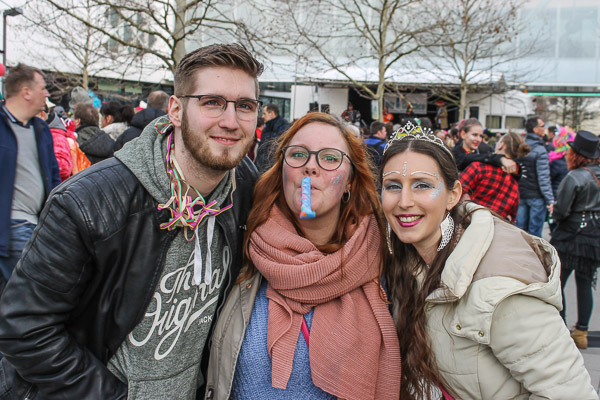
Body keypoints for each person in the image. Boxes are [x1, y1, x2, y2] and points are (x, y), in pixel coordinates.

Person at [0, 43, 262, 400]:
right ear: (175, 109)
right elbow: (25, 328)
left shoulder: (243, 187)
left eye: (244, 106)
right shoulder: (88, 201)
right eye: (212, 102)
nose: (230, 121)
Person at [380, 124, 597, 399]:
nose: (404, 201)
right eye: (393, 186)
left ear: (453, 195)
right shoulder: (405, 256)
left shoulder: (498, 286)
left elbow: (571, 393)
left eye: (422, 185)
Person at [204, 112, 401, 400]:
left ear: (350, 180)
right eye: (298, 155)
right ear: (282, 170)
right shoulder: (243, 246)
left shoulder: (385, 256)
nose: (310, 166)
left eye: (330, 158)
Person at [0, 63, 60, 289]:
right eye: (42, 88)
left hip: (37, 225)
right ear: (26, 92)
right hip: (13, 225)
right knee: (32, 291)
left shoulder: (41, 130)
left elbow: (53, 177)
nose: (46, 94)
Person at [550, 130, 600, 350]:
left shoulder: (575, 177)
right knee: (585, 283)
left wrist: (555, 213)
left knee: (557, 282)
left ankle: (560, 329)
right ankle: (581, 332)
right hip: (593, 237)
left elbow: (562, 210)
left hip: (570, 236)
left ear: (576, 154)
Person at [460, 132, 530, 222]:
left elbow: (455, 192)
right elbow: (511, 218)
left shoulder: (479, 168)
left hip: (468, 223)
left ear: (501, 145)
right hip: (494, 228)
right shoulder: (514, 185)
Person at [516, 116, 555, 237]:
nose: (545, 128)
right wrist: (549, 199)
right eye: (542, 126)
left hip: (521, 194)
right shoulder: (540, 149)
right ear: (535, 129)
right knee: (535, 234)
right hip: (536, 196)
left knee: (520, 231)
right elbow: (543, 177)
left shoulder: (520, 146)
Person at [254, 103, 291, 174]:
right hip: (261, 170)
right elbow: (261, 150)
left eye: (264, 113)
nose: (262, 116)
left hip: (272, 172)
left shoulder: (284, 128)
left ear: (271, 113)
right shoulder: (267, 127)